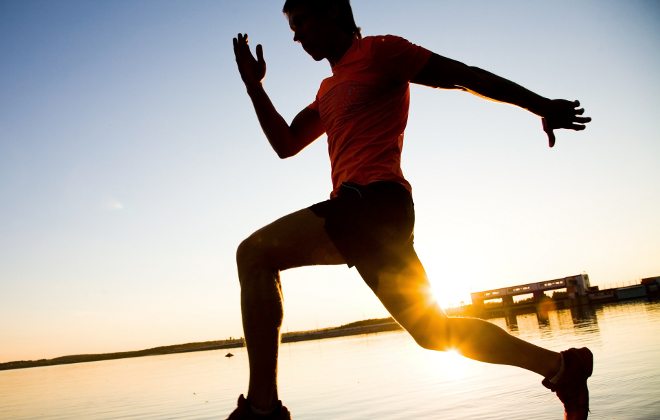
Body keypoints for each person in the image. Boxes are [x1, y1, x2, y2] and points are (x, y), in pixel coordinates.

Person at [229, 1, 593, 419]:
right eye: (293, 28)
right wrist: (254, 86)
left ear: (334, 13)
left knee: (255, 253)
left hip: (373, 203)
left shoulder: (380, 51)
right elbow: (286, 144)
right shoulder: (327, 90)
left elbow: (464, 76)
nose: (296, 36)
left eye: (302, 22)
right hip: (370, 215)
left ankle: (262, 409)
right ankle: (563, 367)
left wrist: (540, 105)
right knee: (433, 332)